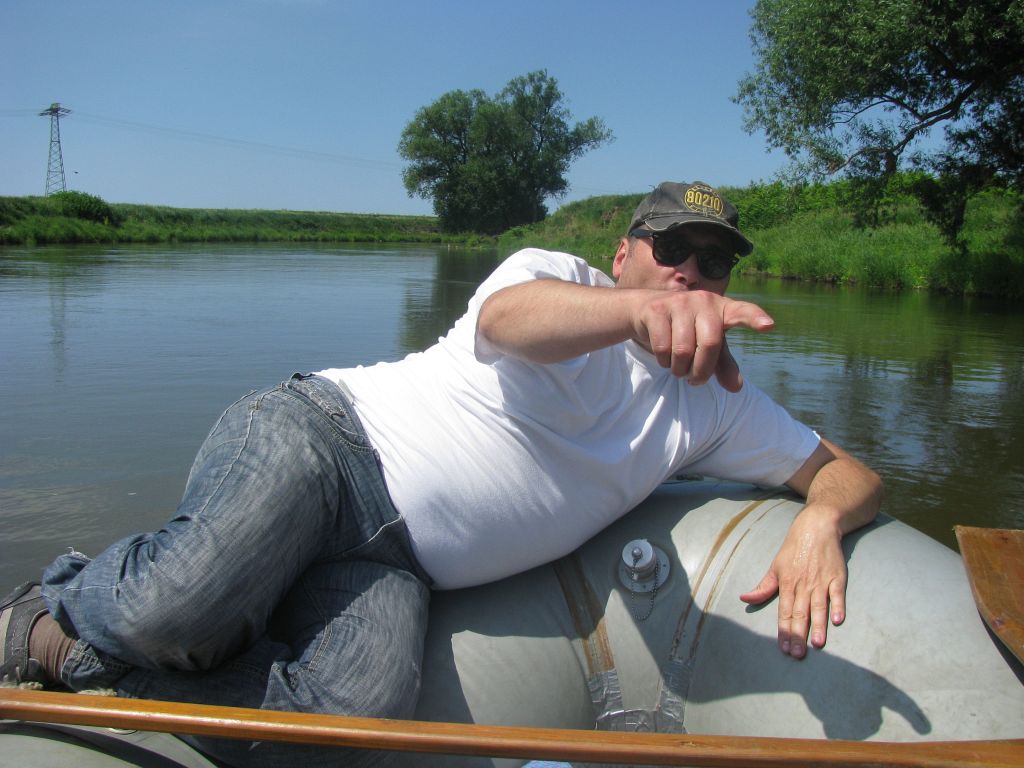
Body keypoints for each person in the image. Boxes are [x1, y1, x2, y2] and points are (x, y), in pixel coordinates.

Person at [1, 180, 882, 766]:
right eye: (671, 249)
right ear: (624, 254)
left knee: (350, 726)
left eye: (712, 261)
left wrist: (820, 519)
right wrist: (634, 315)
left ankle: (72, 655)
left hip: (392, 564)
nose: (688, 272)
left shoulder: (715, 403)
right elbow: (507, 320)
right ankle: (51, 599)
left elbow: (850, 474)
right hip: (329, 444)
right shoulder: (555, 275)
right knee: (172, 609)